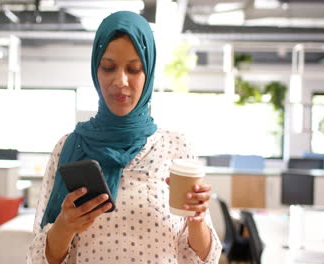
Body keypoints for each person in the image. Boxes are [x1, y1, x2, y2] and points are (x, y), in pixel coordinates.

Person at [27, 11, 222, 264]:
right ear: (96, 69)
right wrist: (65, 226)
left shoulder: (176, 147)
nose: (120, 81)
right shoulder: (70, 148)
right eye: (108, 67)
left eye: (134, 69)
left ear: (149, 72)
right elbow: (38, 259)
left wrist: (197, 220)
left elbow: (205, 258)